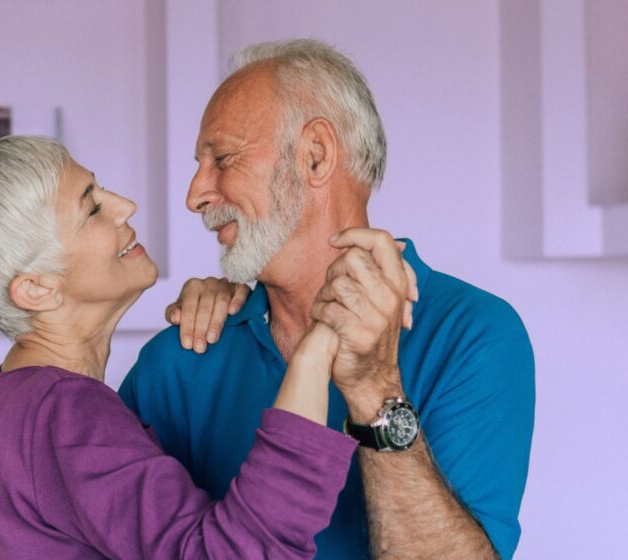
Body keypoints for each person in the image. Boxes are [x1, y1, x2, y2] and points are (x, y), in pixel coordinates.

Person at [120, 39, 535, 559]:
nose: (195, 194)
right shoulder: (180, 355)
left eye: (221, 158)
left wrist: (376, 390)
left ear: (315, 155)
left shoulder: (475, 333)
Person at [0, 135, 363, 559]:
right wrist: (316, 342)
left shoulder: (19, 399)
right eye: (91, 209)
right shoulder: (63, 411)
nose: (126, 206)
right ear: (36, 289)